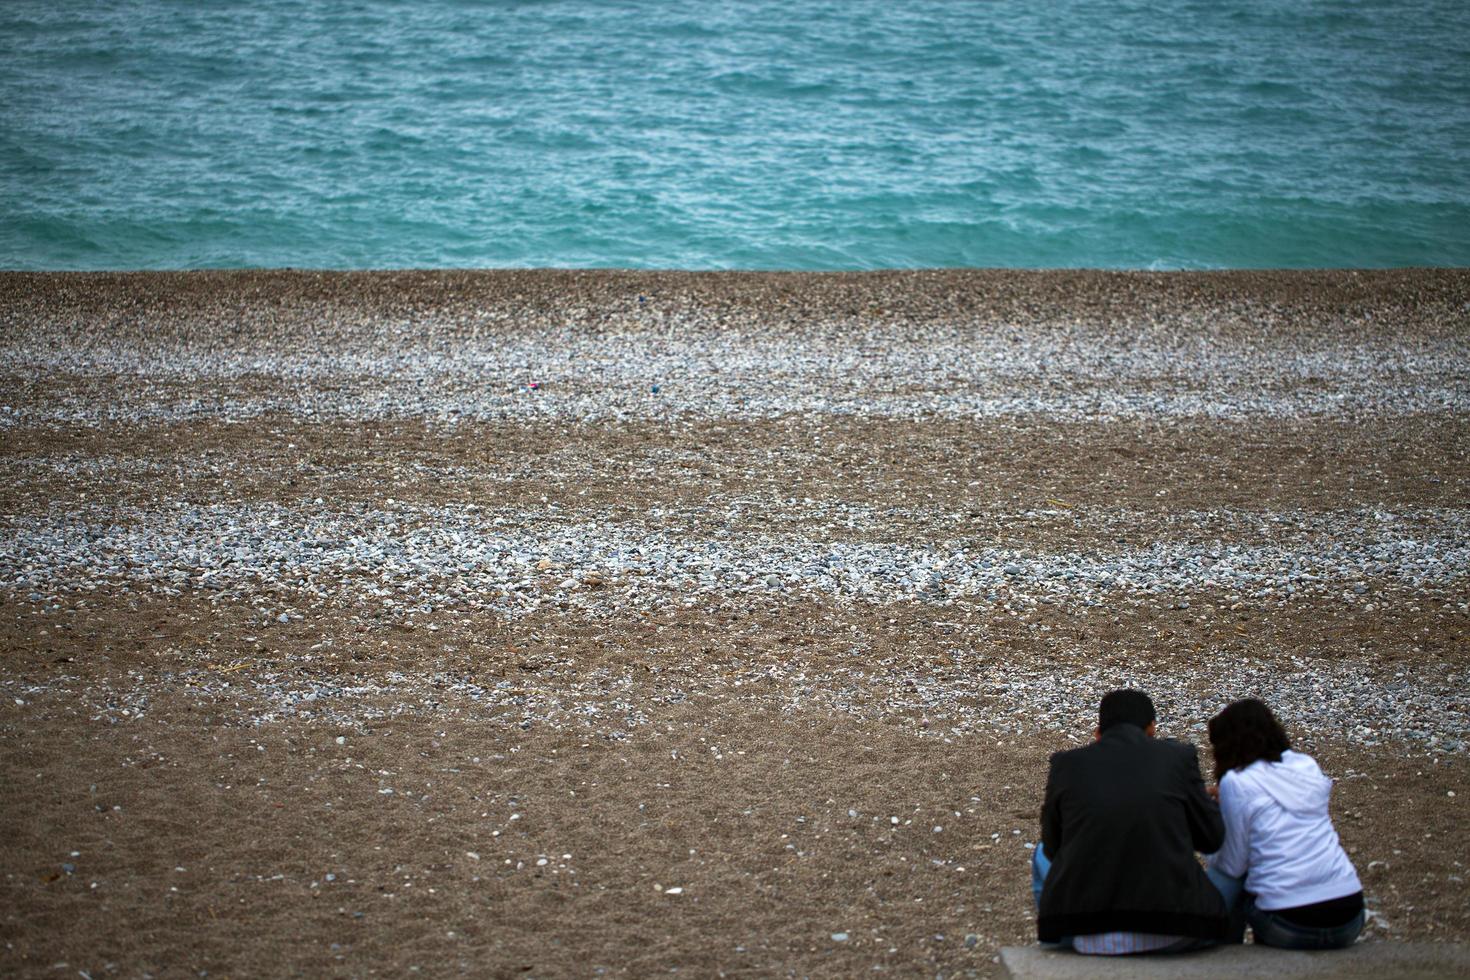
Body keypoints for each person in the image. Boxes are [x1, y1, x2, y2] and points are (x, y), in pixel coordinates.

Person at [1034, 689, 1229, 953]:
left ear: (1098, 732)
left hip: (1088, 935)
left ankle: (1055, 936)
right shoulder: (1179, 757)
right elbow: (1212, 838)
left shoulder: (1066, 764)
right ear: (1151, 728)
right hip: (1178, 927)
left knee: (1039, 854)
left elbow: (1052, 846)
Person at [1205, 698, 1364, 949]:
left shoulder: (1236, 781)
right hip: (1350, 918)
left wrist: (1217, 817)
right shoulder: (1305, 765)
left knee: (1233, 875)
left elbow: (1232, 864)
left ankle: (1224, 954)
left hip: (1291, 925)